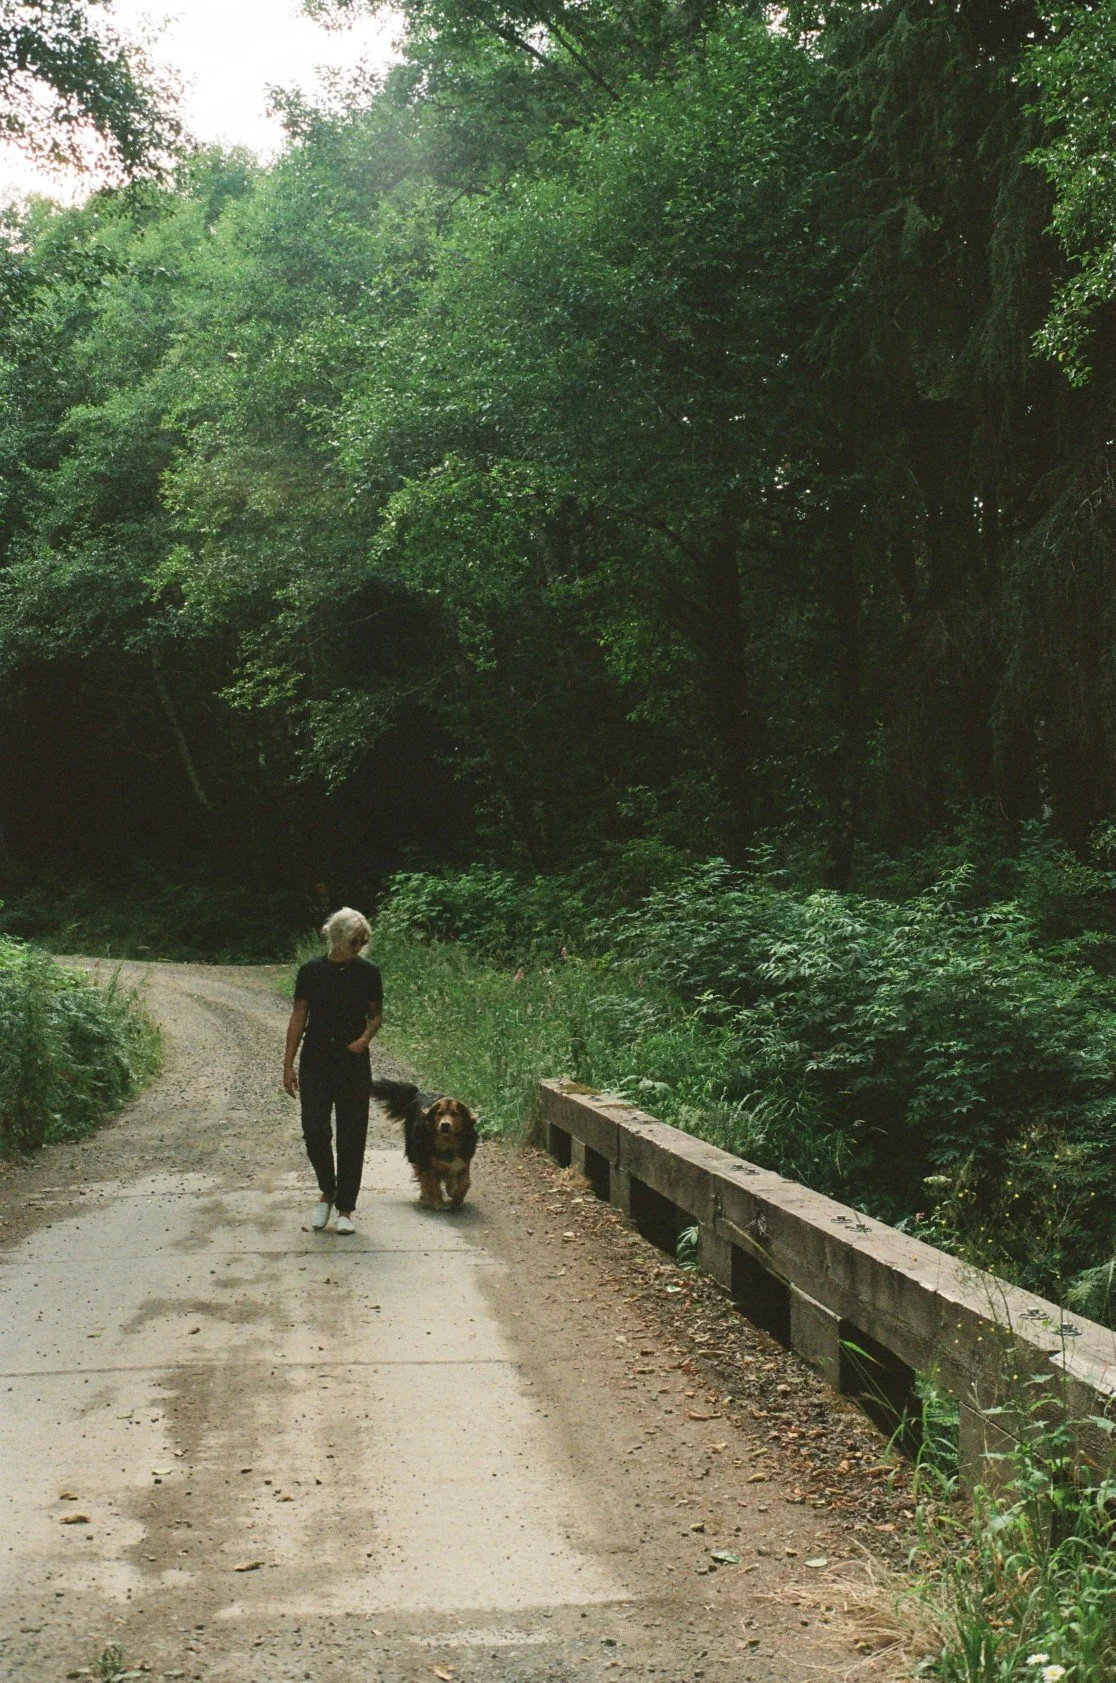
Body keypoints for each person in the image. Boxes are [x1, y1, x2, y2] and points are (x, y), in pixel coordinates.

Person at [283, 907, 383, 1235]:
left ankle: (346, 1208)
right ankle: (327, 1190)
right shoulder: (311, 971)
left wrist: (365, 1038)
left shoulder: (368, 972)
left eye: (363, 941)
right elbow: (299, 1016)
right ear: (338, 937)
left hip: (352, 1061)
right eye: (354, 940)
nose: (359, 946)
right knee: (315, 1131)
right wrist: (288, 1065)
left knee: (352, 1135)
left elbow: (376, 1015)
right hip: (315, 1059)